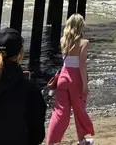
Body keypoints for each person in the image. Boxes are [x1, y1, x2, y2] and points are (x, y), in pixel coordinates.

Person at [46, 14, 94, 145]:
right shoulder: (84, 43)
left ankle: (51, 141)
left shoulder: (63, 40)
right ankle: (81, 140)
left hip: (63, 78)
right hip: (76, 79)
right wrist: (85, 84)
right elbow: (82, 65)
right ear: (81, 26)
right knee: (79, 111)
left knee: (59, 112)